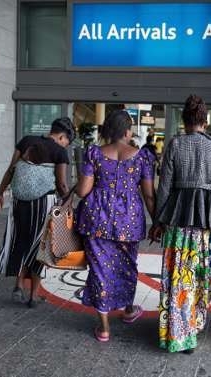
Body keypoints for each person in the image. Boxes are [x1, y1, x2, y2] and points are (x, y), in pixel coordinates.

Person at [151, 95, 211, 354]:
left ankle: (176, 331)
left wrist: (157, 222)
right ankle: (193, 328)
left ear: (184, 122)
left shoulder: (175, 145)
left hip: (177, 222)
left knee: (176, 277)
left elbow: (163, 190)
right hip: (204, 226)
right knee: (198, 278)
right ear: (205, 123)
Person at [74, 110, 156, 342]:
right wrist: (156, 222)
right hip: (129, 221)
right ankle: (128, 310)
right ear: (128, 132)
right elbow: (149, 195)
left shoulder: (94, 153)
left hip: (96, 219)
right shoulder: (142, 157)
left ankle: (104, 327)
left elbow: (82, 191)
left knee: (100, 270)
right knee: (127, 265)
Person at [0, 118, 75, 308]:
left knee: (22, 242)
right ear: (62, 136)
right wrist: (69, 208)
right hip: (43, 204)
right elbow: (62, 185)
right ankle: (34, 295)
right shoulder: (59, 151)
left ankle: (19, 286)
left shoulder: (26, 140)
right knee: (40, 248)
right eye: (67, 142)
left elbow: (11, 170)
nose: (66, 146)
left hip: (19, 203)